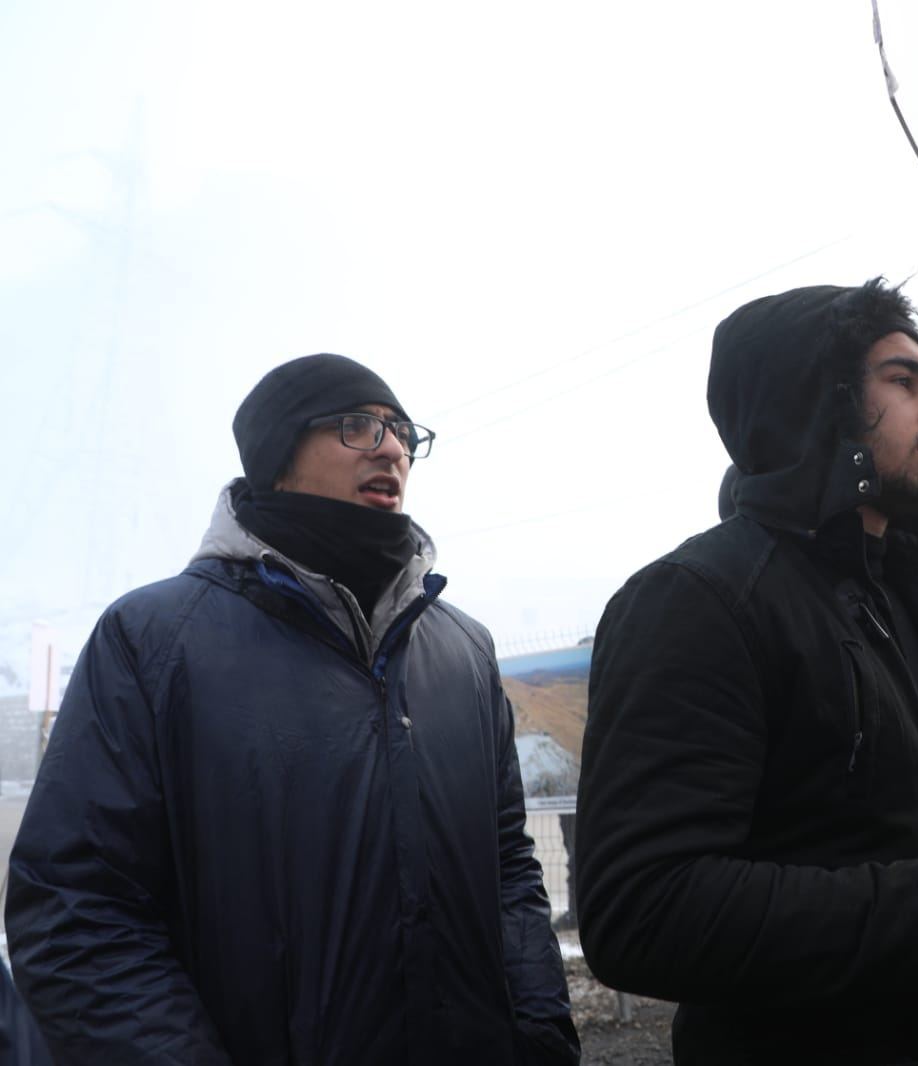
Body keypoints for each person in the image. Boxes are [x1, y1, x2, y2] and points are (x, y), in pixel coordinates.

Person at [575, 281, 918, 1065]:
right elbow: (643, 911)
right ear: (815, 399)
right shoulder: (700, 599)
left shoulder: (909, 612)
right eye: (903, 379)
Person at [5, 354, 580, 1066]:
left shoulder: (462, 648)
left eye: (402, 431)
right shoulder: (154, 641)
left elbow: (508, 866)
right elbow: (75, 907)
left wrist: (540, 1034)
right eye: (357, 426)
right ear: (278, 455)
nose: (393, 448)